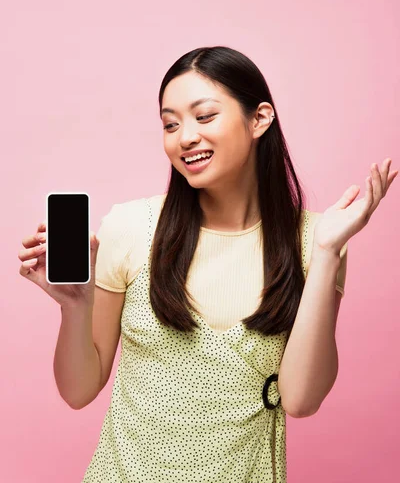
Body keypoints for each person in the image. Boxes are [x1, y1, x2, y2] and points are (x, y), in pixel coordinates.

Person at [18, 46, 397, 482]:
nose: (185, 138)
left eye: (204, 116)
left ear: (259, 119)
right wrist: (74, 306)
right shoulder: (130, 228)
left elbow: (301, 400)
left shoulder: (316, 240)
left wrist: (328, 251)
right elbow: (78, 390)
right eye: (170, 124)